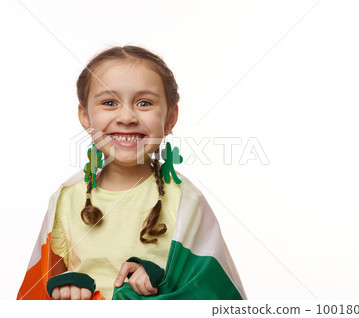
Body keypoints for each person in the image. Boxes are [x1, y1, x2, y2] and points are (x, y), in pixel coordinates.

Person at [17, 45, 247, 300]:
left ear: (170, 118)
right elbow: (42, 286)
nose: (126, 117)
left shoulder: (186, 201)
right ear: (85, 116)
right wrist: (66, 285)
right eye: (109, 102)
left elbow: (211, 292)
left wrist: (160, 280)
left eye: (144, 103)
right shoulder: (66, 198)